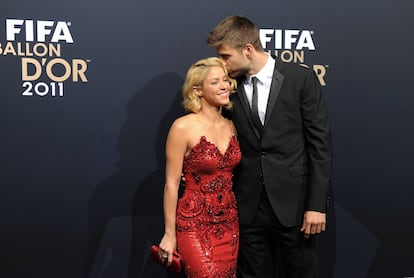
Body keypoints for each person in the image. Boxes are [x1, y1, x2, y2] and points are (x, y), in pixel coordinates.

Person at [207, 16, 333, 278]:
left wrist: (317, 205)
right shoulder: (229, 87)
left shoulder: (300, 79)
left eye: (226, 56)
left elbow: (320, 146)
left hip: (295, 206)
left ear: (248, 50)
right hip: (249, 206)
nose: (223, 63)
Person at [157, 57, 241, 277]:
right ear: (198, 90)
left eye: (225, 80)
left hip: (229, 222)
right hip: (194, 224)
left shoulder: (232, 125)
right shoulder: (182, 127)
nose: (224, 86)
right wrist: (169, 233)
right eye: (215, 82)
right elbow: (172, 184)